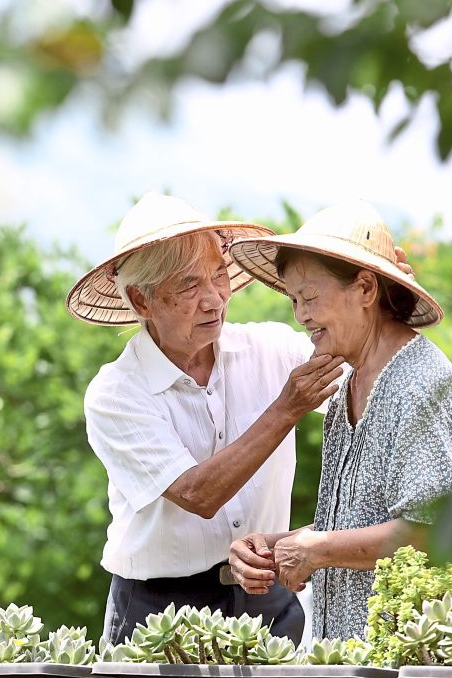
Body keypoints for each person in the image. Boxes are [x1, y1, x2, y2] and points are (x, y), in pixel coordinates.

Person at [66, 193, 348, 645]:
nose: (214, 299)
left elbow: (364, 372)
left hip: (267, 596)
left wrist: (380, 298)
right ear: (142, 300)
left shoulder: (272, 349)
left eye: (219, 277)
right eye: (189, 285)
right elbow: (199, 493)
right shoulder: (116, 392)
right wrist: (286, 407)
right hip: (159, 610)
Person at [226, 200, 452, 641]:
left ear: (366, 290)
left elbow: (433, 532)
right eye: (295, 300)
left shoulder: (421, 386)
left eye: (311, 297)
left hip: (427, 668)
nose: (301, 315)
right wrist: (277, 546)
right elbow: (357, 525)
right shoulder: (345, 389)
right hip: (365, 670)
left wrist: (314, 549)